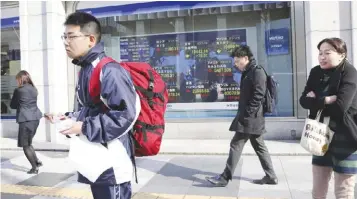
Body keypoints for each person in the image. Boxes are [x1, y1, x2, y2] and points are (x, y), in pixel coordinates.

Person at [45, 12, 138, 199]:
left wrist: (84, 126)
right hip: (98, 161)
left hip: (113, 163)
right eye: (64, 36)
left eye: (71, 36)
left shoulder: (109, 70)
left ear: (91, 39)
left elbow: (126, 114)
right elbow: (91, 110)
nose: (66, 42)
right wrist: (67, 117)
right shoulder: (86, 69)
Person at [206, 45, 278, 187]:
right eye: (235, 62)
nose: (236, 64)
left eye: (238, 61)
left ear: (246, 58)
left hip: (251, 118)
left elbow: (259, 95)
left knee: (236, 144)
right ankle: (271, 176)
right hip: (252, 117)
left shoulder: (257, 72)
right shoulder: (249, 71)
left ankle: (225, 178)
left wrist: (247, 113)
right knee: (259, 146)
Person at [299, 37, 357, 199]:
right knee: (318, 190)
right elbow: (304, 101)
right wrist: (326, 99)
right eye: (320, 53)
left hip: (346, 139)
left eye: (327, 53)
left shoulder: (349, 72)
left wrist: (316, 100)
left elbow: (340, 107)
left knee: (343, 191)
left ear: (341, 55)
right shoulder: (316, 72)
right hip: (320, 136)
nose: (322, 57)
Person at [10, 70, 43, 174]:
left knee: (25, 145)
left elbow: (13, 106)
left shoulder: (19, 90)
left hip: (25, 119)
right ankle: (37, 162)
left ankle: (34, 168)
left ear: (20, 79)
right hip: (35, 118)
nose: (17, 82)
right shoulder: (34, 89)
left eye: (17, 80)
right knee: (29, 143)